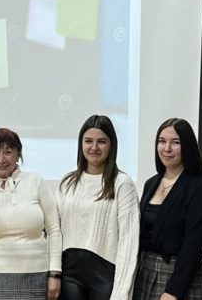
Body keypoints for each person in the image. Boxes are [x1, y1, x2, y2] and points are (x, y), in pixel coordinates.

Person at [0, 128, 62, 300]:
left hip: (36, 276)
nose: (1, 159)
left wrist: (55, 273)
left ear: (18, 154)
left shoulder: (36, 182)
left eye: (8, 152)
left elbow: (54, 230)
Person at [57, 115, 140, 300]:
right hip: (69, 275)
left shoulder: (122, 184)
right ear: (81, 144)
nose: (94, 147)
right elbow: (55, 232)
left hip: (105, 278)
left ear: (112, 145)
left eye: (101, 141)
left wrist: (121, 293)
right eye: (88, 141)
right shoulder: (67, 183)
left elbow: (129, 241)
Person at [134, 118, 202, 300]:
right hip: (146, 273)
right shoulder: (151, 183)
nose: (167, 148)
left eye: (175, 143)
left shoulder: (199, 187)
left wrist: (173, 291)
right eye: (162, 141)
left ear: (187, 147)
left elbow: (193, 246)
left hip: (179, 279)